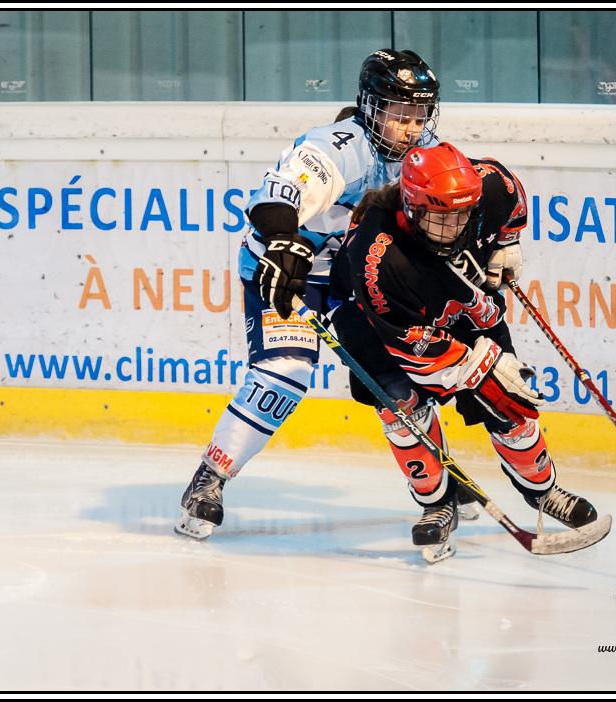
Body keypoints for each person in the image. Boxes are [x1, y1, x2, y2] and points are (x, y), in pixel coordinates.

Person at [175, 50, 440, 539]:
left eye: (419, 116)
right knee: (285, 371)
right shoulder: (336, 147)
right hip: (284, 269)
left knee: (400, 383)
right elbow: (278, 198)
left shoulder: (427, 155)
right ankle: (209, 480)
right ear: (370, 107)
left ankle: (437, 490)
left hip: (352, 281)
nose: (409, 127)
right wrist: (284, 241)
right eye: (399, 114)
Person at [329, 142, 599, 557]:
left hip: (456, 302)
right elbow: (412, 346)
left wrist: (507, 241)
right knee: (403, 408)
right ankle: (437, 505)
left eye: (461, 216)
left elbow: (509, 190)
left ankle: (542, 490)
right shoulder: (379, 258)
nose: (453, 228)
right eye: (440, 219)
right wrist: (479, 368)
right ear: (412, 207)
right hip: (381, 326)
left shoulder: (486, 188)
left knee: (508, 400)